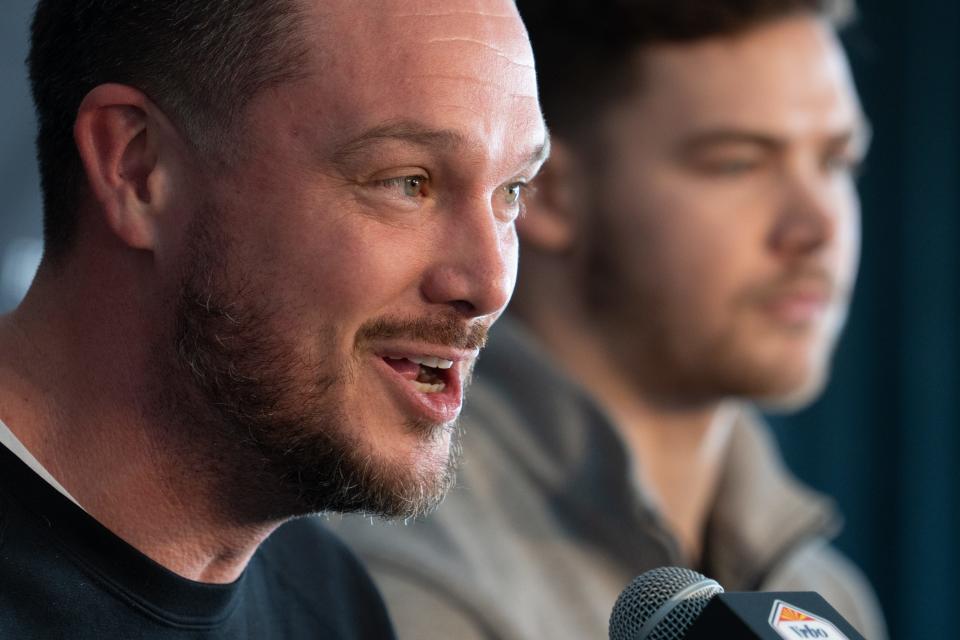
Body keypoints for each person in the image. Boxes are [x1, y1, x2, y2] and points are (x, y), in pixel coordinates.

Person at [332, 0, 889, 638]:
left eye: (836, 163)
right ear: (547, 190)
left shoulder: (828, 594)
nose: (816, 228)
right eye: (738, 162)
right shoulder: (395, 572)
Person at [0, 0, 547, 637]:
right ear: (140, 169)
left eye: (512, 191)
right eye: (407, 182)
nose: (490, 284)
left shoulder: (333, 604)